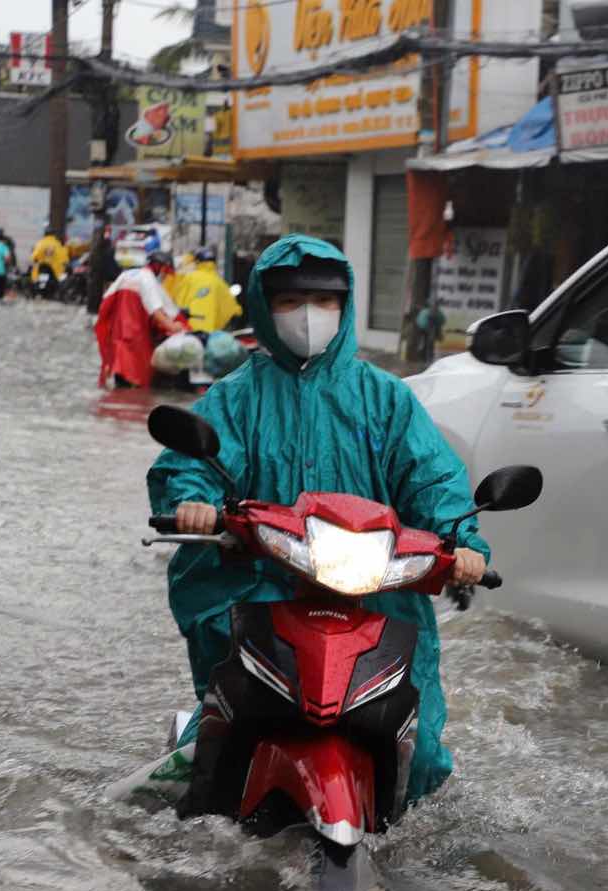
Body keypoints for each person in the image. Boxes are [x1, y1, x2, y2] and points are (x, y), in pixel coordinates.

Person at [146, 234, 489, 805]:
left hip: (370, 593)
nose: (309, 313)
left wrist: (463, 540)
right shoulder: (235, 398)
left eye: (324, 300)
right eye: (290, 300)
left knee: (421, 754)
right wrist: (195, 503)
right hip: (259, 587)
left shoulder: (385, 400)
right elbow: (192, 464)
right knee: (218, 762)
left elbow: (432, 477)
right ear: (263, 304)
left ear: (344, 305)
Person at [96, 250, 185, 388]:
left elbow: (105, 303)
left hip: (118, 338)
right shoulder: (147, 278)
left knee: (121, 387)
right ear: (159, 267)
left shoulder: (126, 275)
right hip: (136, 341)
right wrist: (174, 327)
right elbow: (156, 311)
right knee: (136, 385)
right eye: (164, 271)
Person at [177, 246, 243, 334]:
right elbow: (232, 310)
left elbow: (178, 302)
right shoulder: (220, 282)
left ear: (197, 261)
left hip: (189, 330)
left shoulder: (189, 278)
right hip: (210, 333)